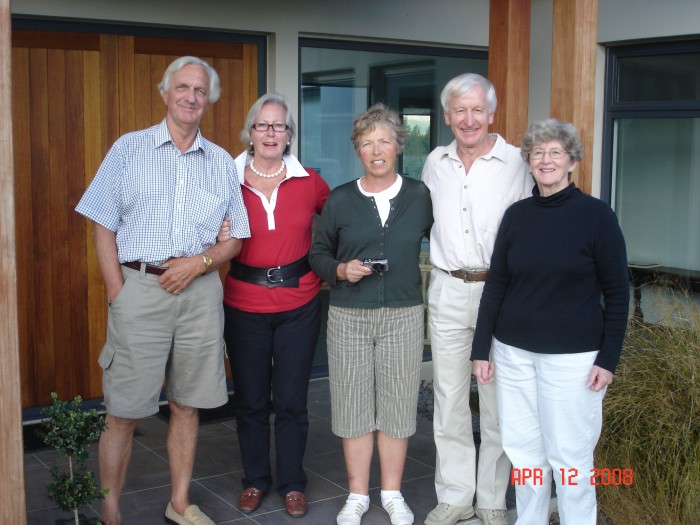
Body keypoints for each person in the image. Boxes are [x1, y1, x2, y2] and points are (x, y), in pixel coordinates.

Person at [75, 56, 250, 525]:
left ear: (208, 100)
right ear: (165, 92)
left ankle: (178, 502)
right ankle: (111, 508)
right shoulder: (128, 149)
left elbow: (236, 237)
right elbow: (101, 223)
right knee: (124, 411)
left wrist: (201, 262)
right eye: (183, 87)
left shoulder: (219, 163)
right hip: (139, 289)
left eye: (200, 90)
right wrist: (118, 291)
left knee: (187, 404)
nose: (191, 96)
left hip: (199, 295)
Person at [471, 119, 630, 525]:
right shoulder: (517, 216)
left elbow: (617, 294)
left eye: (556, 152)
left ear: (572, 161)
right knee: (524, 452)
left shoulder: (597, 217)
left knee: (570, 456)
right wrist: (481, 350)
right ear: (528, 161)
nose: (546, 160)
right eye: (538, 153)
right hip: (513, 353)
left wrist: (608, 359)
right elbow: (498, 285)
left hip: (573, 359)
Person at [309, 104, 433, 525]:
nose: (376, 150)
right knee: (352, 407)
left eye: (384, 141)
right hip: (349, 314)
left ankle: (393, 493)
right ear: (357, 150)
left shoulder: (418, 195)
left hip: (403, 313)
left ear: (399, 144)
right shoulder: (341, 199)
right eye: (367, 143)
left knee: (398, 407)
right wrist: (341, 270)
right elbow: (318, 253)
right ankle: (358, 495)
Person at [421, 73, 533, 525]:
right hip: (447, 286)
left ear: (492, 114)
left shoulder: (519, 164)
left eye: (477, 110)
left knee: (497, 401)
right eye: (459, 111)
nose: (469, 120)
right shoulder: (434, 162)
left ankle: (490, 498)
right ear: (447, 116)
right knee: (448, 396)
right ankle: (455, 495)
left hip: (500, 292)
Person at [220, 93, 330, 518]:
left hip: (300, 303)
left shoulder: (310, 181)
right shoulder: (224, 177)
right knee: (249, 400)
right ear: (250, 133)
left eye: (279, 126)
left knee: (290, 400)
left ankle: (291, 483)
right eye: (263, 125)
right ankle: (254, 480)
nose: (271, 133)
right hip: (243, 304)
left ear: (289, 135)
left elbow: (342, 221)